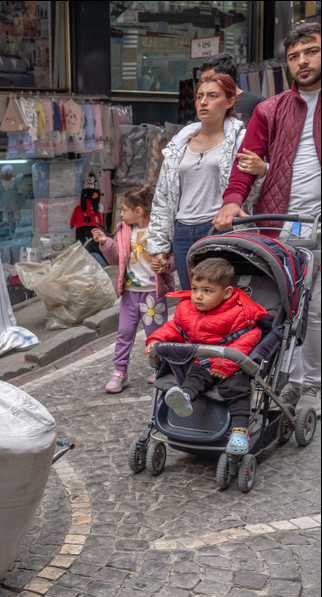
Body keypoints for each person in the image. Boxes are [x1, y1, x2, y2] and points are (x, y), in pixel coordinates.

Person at [214, 21, 320, 407]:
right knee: (280, 305)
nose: (302, 61)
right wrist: (231, 200)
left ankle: (312, 384)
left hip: (320, 221)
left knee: (319, 307)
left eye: (311, 52)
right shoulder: (270, 109)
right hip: (280, 223)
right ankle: (282, 378)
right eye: (294, 56)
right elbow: (245, 164)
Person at [148, 73, 261, 292]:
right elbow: (162, 197)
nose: (203, 102)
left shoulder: (241, 139)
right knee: (192, 299)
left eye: (212, 96)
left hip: (221, 228)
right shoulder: (178, 145)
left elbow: (254, 190)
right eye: (199, 96)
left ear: (229, 102)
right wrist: (159, 245)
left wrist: (262, 171)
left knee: (224, 300)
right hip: (182, 232)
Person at [145, 256, 268, 455]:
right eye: (195, 289)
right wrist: (155, 340)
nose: (198, 296)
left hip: (228, 365)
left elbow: (249, 338)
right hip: (200, 361)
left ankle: (239, 431)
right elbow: (174, 328)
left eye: (207, 291)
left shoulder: (239, 313)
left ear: (226, 293)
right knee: (195, 374)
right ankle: (184, 398)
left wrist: (225, 363)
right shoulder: (186, 308)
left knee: (239, 388)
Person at [92, 184, 168, 393]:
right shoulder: (124, 230)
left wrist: (166, 265)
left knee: (157, 334)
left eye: (124, 209)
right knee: (125, 332)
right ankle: (119, 371)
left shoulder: (158, 230)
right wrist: (105, 242)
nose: (122, 214)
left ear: (139, 211)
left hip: (153, 292)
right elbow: (117, 257)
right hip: (130, 294)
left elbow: (169, 256)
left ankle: (160, 367)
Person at [199, 52, 266, 121]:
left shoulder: (257, 103)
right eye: (202, 81)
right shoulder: (204, 104)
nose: (204, 84)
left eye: (208, 79)